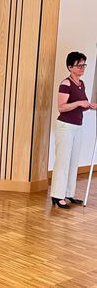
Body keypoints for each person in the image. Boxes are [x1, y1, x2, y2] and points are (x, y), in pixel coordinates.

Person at [50, 52, 97, 209]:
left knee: (73, 160)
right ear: (70, 67)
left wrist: (88, 106)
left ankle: (68, 193)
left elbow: (78, 106)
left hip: (77, 125)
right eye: (79, 65)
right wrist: (79, 103)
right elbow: (61, 107)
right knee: (63, 161)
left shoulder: (81, 84)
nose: (82, 68)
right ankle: (57, 195)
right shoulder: (66, 84)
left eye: (84, 64)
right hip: (65, 126)